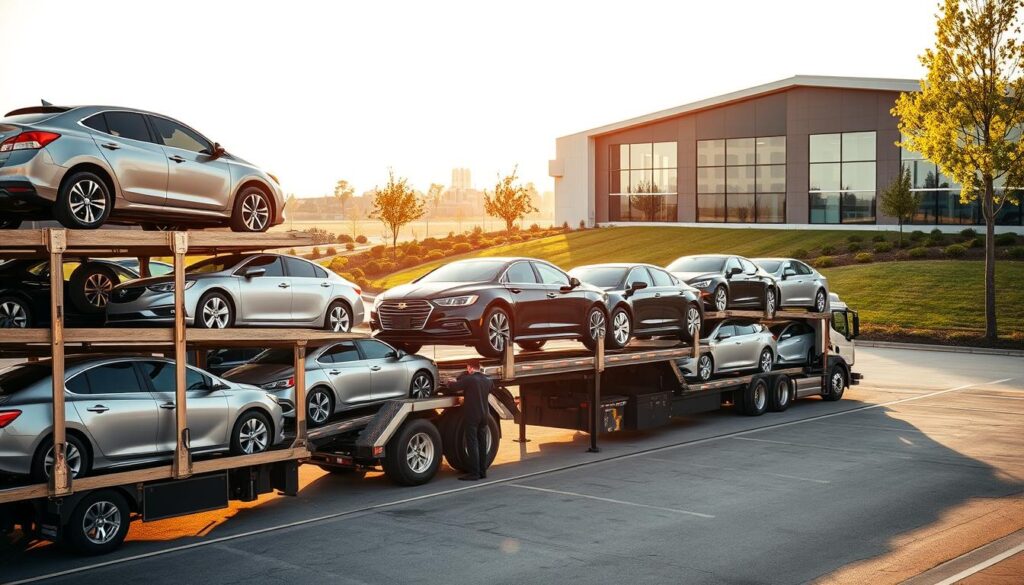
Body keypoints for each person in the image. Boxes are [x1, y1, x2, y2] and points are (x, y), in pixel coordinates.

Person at [446, 359, 494, 481]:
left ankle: (474, 473)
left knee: (472, 443)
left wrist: (450, 382)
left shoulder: (470, 379)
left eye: (467, 368)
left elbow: (453, 387)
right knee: (482, 442)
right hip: (485, 415)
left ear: (470, 368)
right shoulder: (488, 380)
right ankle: (483, 472)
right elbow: (491, 388)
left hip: (473, 415)